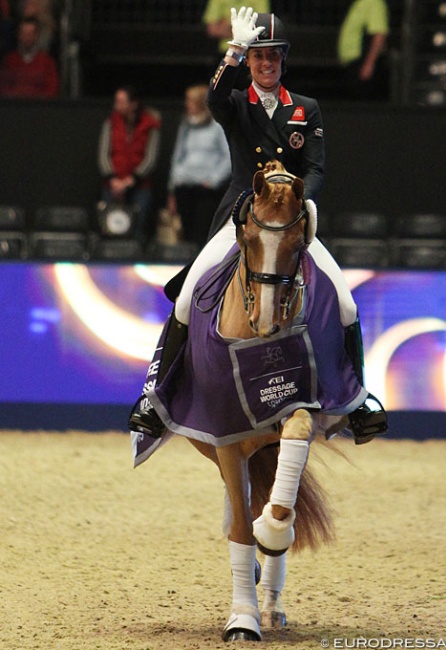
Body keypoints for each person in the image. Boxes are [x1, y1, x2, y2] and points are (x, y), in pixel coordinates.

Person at [129, 8, 387, 443]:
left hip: (289, 222)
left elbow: (317, 169)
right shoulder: (234, 103)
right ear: (250, 62)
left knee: (344, 301)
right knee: (189, 295)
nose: (266, 64)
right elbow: (212, 99)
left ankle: (358, 400)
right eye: (258, 57)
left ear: (283, 60)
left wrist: (298, 204)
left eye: (273, 57)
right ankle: (155, 395)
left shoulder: (307, 109)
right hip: (240, 217)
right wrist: (232, 52)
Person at [167, 84, 231, 248]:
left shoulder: (217, 126)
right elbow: (178, 156)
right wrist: (174, 185)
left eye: (190, 101)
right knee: (186, 232)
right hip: (185, 186)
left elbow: (228, 157)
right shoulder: (186, 125)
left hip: (206, 190)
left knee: (202, 232)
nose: (187, 104)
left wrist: (213, 180)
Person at [97, 85, 161, 242]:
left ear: (133, 104)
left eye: (120, 101)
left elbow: (151, 158)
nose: (116, 105)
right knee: (109, 230)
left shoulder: (151, 124)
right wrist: (113, 179)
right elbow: (103, 154)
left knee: (137, 232)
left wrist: (130, 180)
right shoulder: (111, 122)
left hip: (139, 187)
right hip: (112, 185)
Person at [337, 0, 389, 101]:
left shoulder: (374, 2)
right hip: (353, 63)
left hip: (362, 63)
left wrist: (369, 63)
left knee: (363, 105)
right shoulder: (360, 2)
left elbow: (379, 35)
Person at [0, 16, 58, 97]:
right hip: (14, 107)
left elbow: (51, 89)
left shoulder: (47, 62)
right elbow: (3, 88)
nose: (27, 37)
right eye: (24, 33)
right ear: (19, 35)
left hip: (40, 107)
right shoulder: (9, 61)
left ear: (36, 36)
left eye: (30, 34)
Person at [203, 0, 269, 54]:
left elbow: (262, 27)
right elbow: (213, 29)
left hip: (252, 51)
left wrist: (227, 26)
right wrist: (247, 29)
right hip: (226, 52)